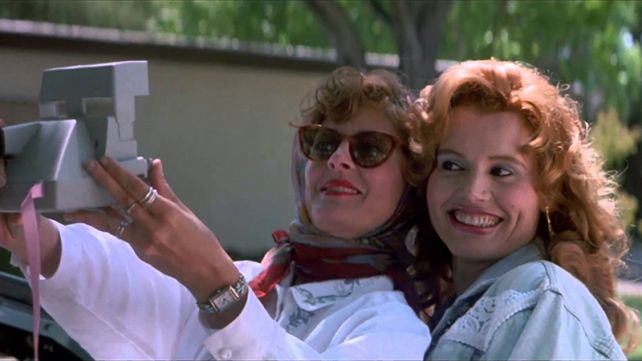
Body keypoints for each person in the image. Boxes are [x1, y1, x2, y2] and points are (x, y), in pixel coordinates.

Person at [0, 66, 433, 360]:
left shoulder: (395, 329)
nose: (339, 159)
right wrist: (29, 231)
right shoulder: (258, 279)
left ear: (411, 185)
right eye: (324, 142)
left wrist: (216, 285)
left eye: (369, 149)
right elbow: (134, 296)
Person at [413, 59, 639, 360]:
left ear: (548, 190)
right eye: (452, 165)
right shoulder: (457, 305)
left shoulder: (541, 300)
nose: (473, 191)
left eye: (501, 171)